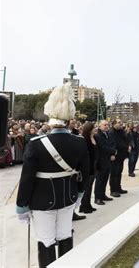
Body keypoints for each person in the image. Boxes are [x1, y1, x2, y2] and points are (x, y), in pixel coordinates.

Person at [15, 83, 90, 267]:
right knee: (65, 234)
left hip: (42, 201)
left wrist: (22, 205)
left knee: (46, 240)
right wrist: (79, 194)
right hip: (68, 198)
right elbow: (86, 173)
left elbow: (27, 178)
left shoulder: (36, 143)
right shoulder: (79, 142)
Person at [94, 120, 116, 205]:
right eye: (104, 125)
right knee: (99, 180)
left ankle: (103, 195)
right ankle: (97, 198)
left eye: (107, 125)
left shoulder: (108, 134)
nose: (107, 126)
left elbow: (112, 144)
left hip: (108, 160)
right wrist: (113, 151)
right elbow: (103, 147)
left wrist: (113, 153)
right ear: (99, 126)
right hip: (101, 161)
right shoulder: (98, 136)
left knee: (105, 178)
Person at [80, 122, 98, 214]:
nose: (96, 129)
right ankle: (84, 206)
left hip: (94, 164)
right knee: (86, 187)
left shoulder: (94, 138)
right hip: (87, 165)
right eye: (94, 127)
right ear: (89, 129)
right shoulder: (84, 139)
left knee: (90, 186)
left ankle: (88, 204)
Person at [108, 119, 129, 197]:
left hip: (121, 155)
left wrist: (127, 146)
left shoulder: (121, 131)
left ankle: (118, 187)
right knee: (114, 173)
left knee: (119, 172)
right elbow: (114, 144)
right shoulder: (112, 133)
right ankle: (113, 190)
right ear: (114, 124)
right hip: (115, 156)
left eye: (121, 122)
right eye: (119, 122)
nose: (121, 124)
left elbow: (125, 140)